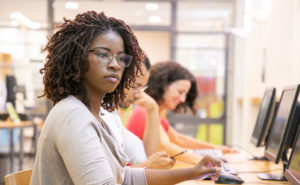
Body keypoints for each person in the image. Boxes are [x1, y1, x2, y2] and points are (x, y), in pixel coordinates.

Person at [30, 11, 221, 185]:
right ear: (77, 58)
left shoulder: (96, 115)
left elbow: (124, 177)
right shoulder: (73, 115)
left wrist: (192, 173)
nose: (115, 65)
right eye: (103, 54)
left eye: (121, 58)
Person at [126, 61, 236, 164]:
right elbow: (164, 146)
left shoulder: (156, 113)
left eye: (185, 94)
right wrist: (206, 162)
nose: (182, 99)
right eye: (180, 92)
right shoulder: (144, 111)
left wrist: (219, 149)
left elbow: (180, 139)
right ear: (163, 85)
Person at [100, 56, 175, 169]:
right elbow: (106, 176)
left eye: (142, 88)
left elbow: (146, 156)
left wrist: (153, 109)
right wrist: (148, 165)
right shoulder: (99, 113)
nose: (138, 94)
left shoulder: (112, 114)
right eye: (136, 86)